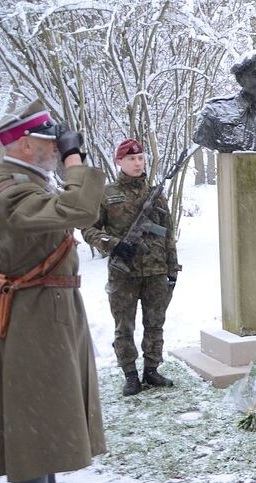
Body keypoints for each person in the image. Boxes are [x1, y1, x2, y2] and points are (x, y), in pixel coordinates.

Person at [0, 100, 107, 483]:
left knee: (46, 412)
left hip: (46, 308)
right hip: (31, 314)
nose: (57, 149)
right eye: (50, 142)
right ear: (22, 144)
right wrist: (77, 161)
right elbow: (80, 209)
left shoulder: (23, 184)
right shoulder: (12, 191)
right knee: (32, 415)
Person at [81, 139, 181, 396]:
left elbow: (167, 234)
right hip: (123, 272)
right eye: (131, 159)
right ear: (119, 161)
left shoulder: (155, 194)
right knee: (124, 326)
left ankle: (151, 370)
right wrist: (113, 244)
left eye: (140, 159)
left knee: (155, 323)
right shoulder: (106, 193)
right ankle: (130, 374)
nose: (137, 163)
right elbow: (88, 228)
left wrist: (172, 268)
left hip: (156, 271)